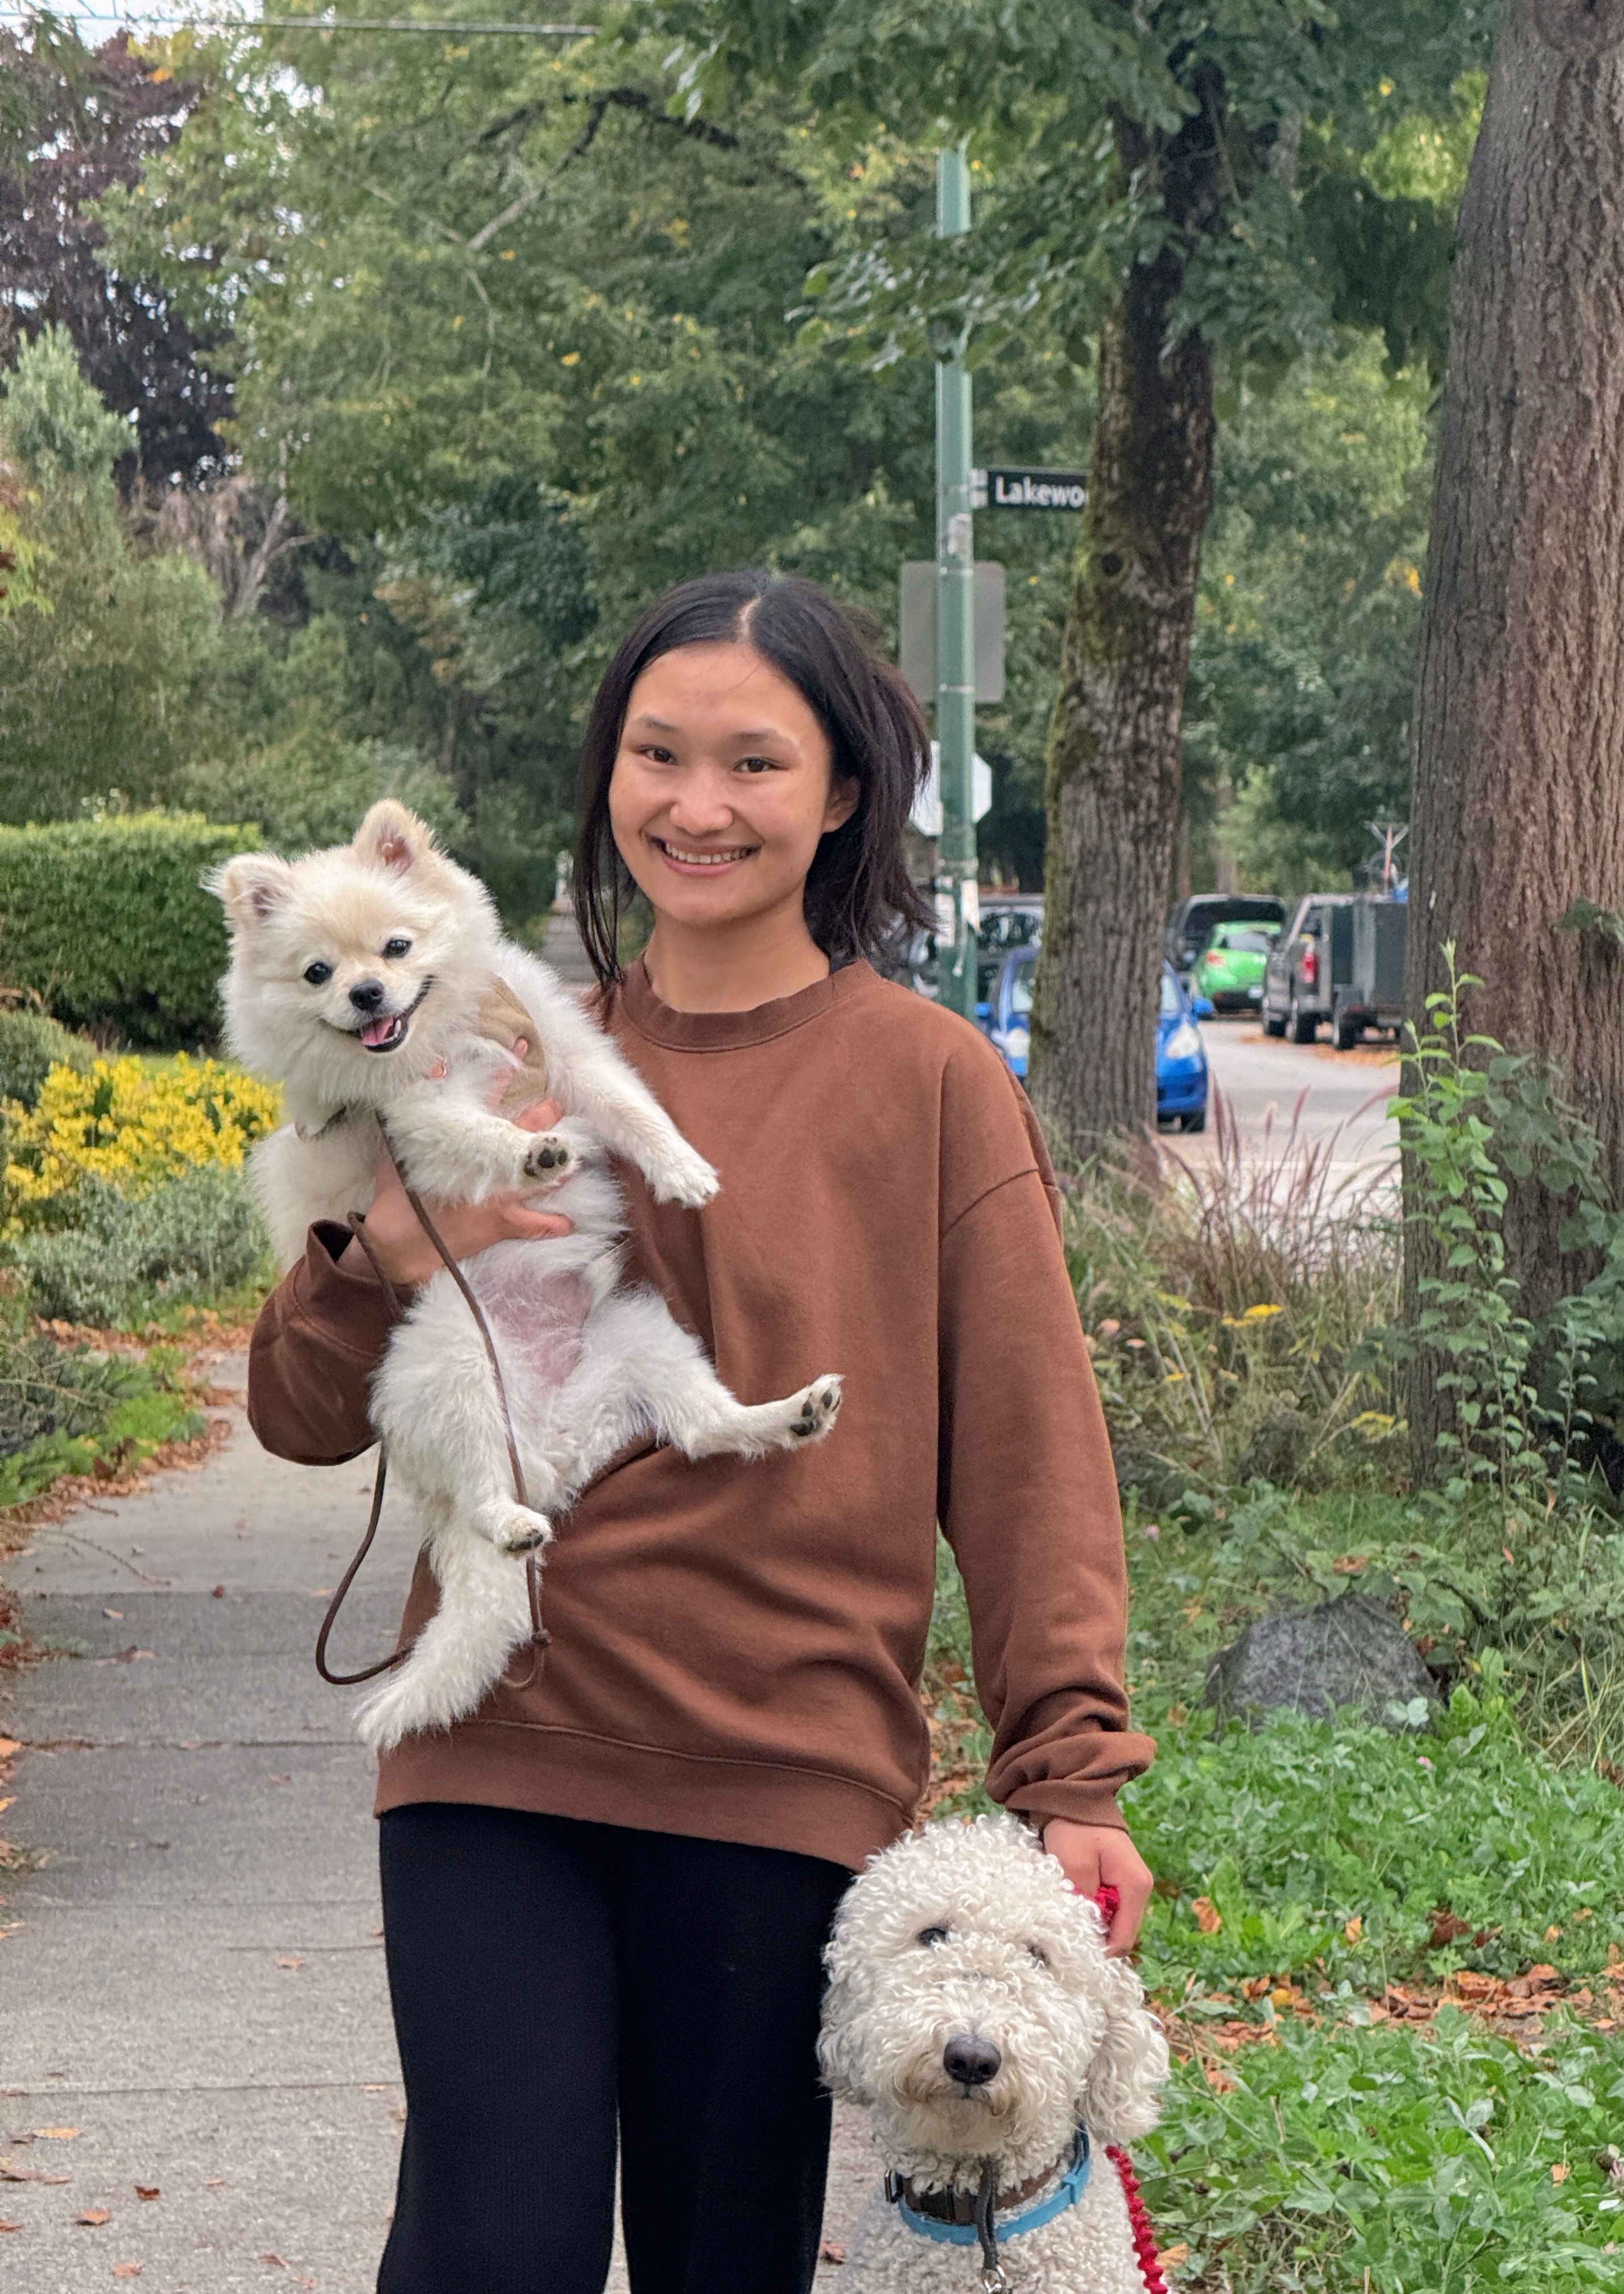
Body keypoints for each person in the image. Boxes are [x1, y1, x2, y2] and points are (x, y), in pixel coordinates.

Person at [246, 570, 1156, 2294]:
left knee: (720, 2260)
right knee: (484, 2254)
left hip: (780, 1765)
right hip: (499, 1741)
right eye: (657, 755)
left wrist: (1073, 1767)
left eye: (754, 761)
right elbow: (296, 1420)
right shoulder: (475, 1051)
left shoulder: (932, 1080)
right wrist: (365, 1259)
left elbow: (1030, 1455)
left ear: (841, 795)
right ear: (608, 779)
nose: (698, 803)